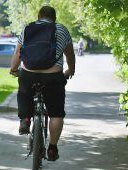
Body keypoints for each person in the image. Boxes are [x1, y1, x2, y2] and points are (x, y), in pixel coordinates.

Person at [9, 5, 75, 161]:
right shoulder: (62, 30)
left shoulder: (28, 29)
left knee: (24, 92)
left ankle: (25, 119)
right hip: (53, 77)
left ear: (38, 16)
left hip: (29, 75)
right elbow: (70, 54)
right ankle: (52, 148)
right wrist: (70, 70)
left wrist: (13, 69)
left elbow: (18, 52)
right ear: (55, 18)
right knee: (56, 112)